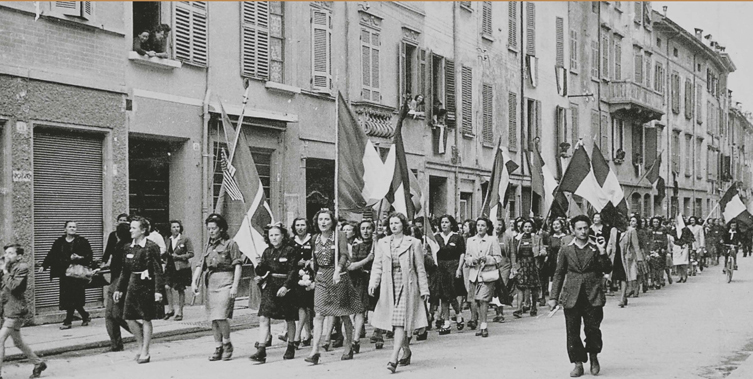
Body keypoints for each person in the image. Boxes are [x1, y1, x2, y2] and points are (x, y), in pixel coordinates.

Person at [549, 215, 613, 378]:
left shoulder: (595, 246)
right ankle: (577, 363)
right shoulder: (566, 249)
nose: (583, 231)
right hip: (572, 295)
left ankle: (593, 357)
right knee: (572, 331)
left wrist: (602, 251)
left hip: (593, 294)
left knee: (593, 329)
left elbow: (606, 269)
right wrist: (553, 297)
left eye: (585, 228)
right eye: (579, 228)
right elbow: (559, 273)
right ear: (573, 230)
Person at [369, 212, 429, 373]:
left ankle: (393, 357)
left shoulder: (413, 243)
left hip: (407, 286)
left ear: (403, 225)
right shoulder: (382, 243)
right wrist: (373, 282)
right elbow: (377, 265)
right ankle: (406, 350)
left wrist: (424, 289)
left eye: (397, 223)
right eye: (391, 223)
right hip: (389, 286)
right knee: (395, 322)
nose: (394, 226)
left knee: (400, 321)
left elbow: (420, 268)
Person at [305, 209, 362, 365]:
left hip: (338, 277)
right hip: (322, 278)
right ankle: (315, 350)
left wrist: (338, 269)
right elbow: (315, 261)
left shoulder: (339, 235)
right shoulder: (315, 238)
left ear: (332, 222)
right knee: (319, 314)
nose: (323, 222)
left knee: (343, 313)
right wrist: (312, 277)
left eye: (326, 219)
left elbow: (344, 255)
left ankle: (349, 346)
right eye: (320, 220)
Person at [192, 214, 243, 362]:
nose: (211, 231)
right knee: (213, 319)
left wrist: (235, 286)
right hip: (212, 282)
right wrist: (195, 281)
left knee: (221, 316)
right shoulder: (208, 245)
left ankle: (227, 344)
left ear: (221, 228)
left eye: (214, 228)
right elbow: (200, 264)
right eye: (209, 229)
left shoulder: (230, 244)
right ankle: (218, 346)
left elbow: (238, 266)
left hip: (226, 281)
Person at [113, 216, 164, 364]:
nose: (131, 230)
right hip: (132, 285)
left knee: (146, 318)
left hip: (147, 286)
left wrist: (158, 291)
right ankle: (140, 345)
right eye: (131, 228)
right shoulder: (128, 247)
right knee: (128, 317)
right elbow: (124, 271)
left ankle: (145, 351)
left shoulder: (151, 247)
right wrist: (119, 289)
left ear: (143, 230)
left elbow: (157, 270)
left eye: (134, 228)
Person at [249, 223, 300, 363]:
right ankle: (261, 348)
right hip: (271, 287)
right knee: (264, 316)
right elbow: (262, 271)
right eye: (271, 235)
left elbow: (293, 271)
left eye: (277, 235)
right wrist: (258, 264)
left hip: (286, 287)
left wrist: (286, 286)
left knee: (289, 318)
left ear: (283, 236)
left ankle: (291, 346)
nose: (274, 238)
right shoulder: (267, 252)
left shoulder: (290, 250)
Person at [0, 244, 47, 378]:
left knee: (0, 339)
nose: (6, 256)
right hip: (6, 308)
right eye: (6, 253)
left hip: (15, 310)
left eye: (10, 253)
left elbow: (13, 286)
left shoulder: (22, 267)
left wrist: (4, 270)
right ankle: (38, 363)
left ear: (19, 256)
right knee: (18, 342)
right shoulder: (7, 266)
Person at [40, 221, 93, 330]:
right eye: (70, 227)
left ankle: (68, 321)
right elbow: (52, 254)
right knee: (69, 298)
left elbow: (89, 256)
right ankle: (85, 315)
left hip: (77, 274)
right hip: (64, 273)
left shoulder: (82, 242)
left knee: (73, 297)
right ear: (65, 229)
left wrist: (80, 257)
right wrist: (44, 266)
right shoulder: (59, 242)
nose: (72, 229)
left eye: (74, 227)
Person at [465, 218, 502, 337]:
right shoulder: (471, 240)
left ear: (487, 227)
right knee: (475, 301)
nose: (480, 228)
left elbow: (498, 258)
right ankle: (480, 323)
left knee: (483, 300)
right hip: (474, 274)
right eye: (478, 225)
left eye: (483, 225)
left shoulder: (492, 240)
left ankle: (484, 325)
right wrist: (472, 260)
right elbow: (467, 257)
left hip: (487, 274)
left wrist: (488, 259)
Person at [430, 215, 465, 334]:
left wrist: (459, 269)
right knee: (443, 296)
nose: (444, 224)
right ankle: (446, 322)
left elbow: (462, 253)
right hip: (440, 268)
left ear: (451, 224)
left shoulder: (457, 237)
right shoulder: (435, 237)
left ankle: (458, 314)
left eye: (446, 222)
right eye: (442, 222)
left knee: (452, 294)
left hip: (453, 267)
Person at [103, 223, 132, 351]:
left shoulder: (123, 247)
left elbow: (123, 268)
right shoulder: (125, 246)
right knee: (112, 315)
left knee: (114, 314)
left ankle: (141, 333)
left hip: (118, 283)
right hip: (118, 282)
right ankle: (116, 344)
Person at [349, 219, 376, 353]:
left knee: (377, 307)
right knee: (359, 310)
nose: (366, 231)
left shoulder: (378, 245)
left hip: (377, 279)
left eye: (368, 228)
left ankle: (378, 332)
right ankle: (356, 340)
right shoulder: (356, 247)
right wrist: (367, 259)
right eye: (363, 228)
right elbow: (352, 266)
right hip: (361, 280)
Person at [511, 219, 546, 318]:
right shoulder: (517, 238)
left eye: (529, 227)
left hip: (533, 264)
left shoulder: (537, 238)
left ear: (532, 228)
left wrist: (542, 252)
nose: (527, 229)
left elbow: (542, 247)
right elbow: (514, 253)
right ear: (522, 228)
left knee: (533, 287)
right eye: (525, 227)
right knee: (520, 286)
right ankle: (519, 309)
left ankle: (534, 306)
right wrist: (514, 266)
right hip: (521, 263)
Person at [289, 217, 314, 348]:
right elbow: (288, 257)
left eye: (302, 225)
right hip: (296, 276)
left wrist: (310, 262)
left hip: (311, 275)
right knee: (301, 305)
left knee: (306, 305)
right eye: (297, 225)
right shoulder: (291, 241)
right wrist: (296, 263)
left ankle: (298, 335)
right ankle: (307, 333)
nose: (300, 228)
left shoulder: (313, 239)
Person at [163, 220, 194, 321]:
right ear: (170, 229)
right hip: (170, 266)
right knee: (167, 286)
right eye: (174, 227)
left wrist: (179, 257)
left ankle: (180, 311)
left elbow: (191, 253)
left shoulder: (185, 239)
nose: (176, 229)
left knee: (180, 289)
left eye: (178, 227)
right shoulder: (168, 239)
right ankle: (170, 309)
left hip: (180, 268)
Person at [607, 217, 640, 307]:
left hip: (626, 257)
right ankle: (624, 296)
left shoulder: (631, 231)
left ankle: (622, 298)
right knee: (617, 277)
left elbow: (636, 246)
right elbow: (610, 244)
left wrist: (639, 259)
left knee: (624, 277)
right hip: (615, 256)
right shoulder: (613, 230)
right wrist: (606, 255)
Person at [649, 217, 671, 288]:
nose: (655, 223)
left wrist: (664, 248)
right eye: (654, 222)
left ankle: (660, 280)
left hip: (660, 249)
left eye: (657, 222)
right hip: (652, 248)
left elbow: (665, 239)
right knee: (652, 266)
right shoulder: (650, 229)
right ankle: (652, 281)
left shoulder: (662, 229)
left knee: (660, 266)